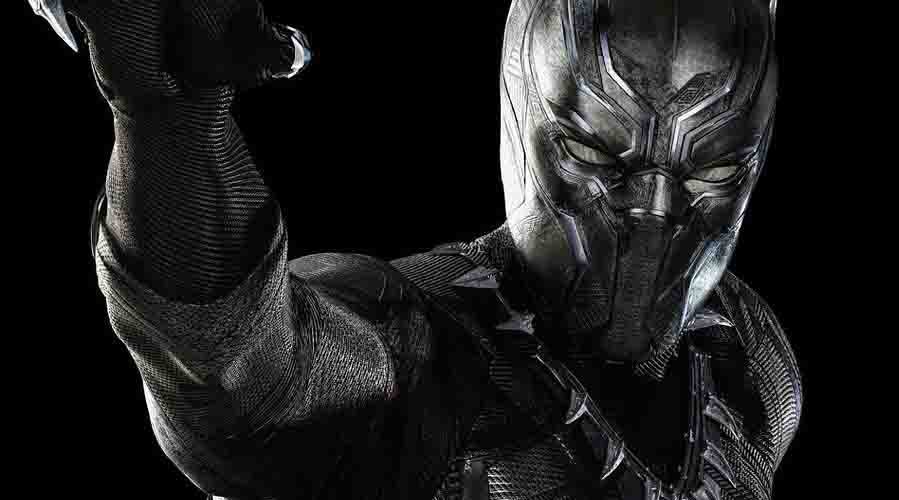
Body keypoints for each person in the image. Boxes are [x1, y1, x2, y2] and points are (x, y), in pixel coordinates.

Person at [32, 0, 802, 498]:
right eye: (595, 155)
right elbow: (238, 376)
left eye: (714, 171)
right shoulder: (420, 349)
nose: (653, 214)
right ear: (519, 113)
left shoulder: (745, 358)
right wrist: (172, 115)